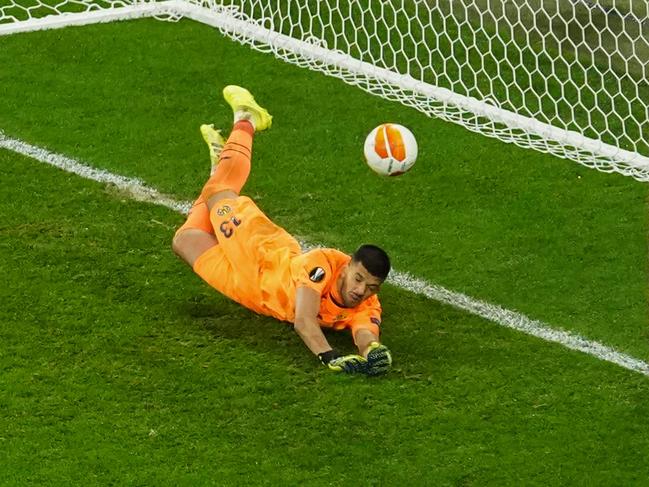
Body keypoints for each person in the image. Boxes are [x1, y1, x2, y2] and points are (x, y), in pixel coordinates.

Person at [172, 85, 392, 376]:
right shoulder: (322, 266)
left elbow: (365, 331)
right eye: (358, 279)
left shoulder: (367, 302)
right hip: (258, 252)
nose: (359, 290)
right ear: (347, 266)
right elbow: (304, 320)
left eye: (370, 287)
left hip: (250, 291)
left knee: (184, 240)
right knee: (218, 192)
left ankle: (220, 166)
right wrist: (330, 356)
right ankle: (247, 119)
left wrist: (373, 351)